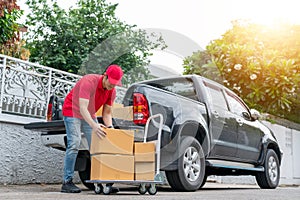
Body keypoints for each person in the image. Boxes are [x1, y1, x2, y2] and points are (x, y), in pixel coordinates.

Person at [61, 64, 123, 193]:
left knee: (97, 146)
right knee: (74, 143)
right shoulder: (88, 81)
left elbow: (106, 113)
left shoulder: (112, 90)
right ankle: (67, 182)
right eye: (111, 83)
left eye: (115, 84)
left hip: (90, 113)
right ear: (105, 76)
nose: (112, 86)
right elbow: (83, 108)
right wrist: (94, 125)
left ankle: (102, 182)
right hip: (72, 110)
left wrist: (110, 128)